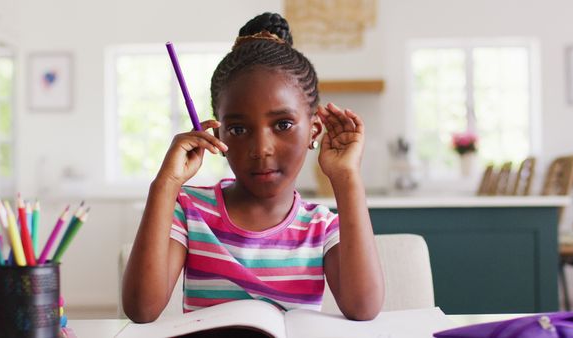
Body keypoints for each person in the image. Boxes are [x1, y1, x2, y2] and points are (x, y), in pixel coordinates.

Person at [122, 12, 384, 323]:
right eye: (238, 129)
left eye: (283, 124)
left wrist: (346, 177)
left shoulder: (321, 227)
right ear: (217, 135)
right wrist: (165, 184)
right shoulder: (190, 211)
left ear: (314, 132)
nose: (261, 149)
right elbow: (141, 309)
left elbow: (363, 307)